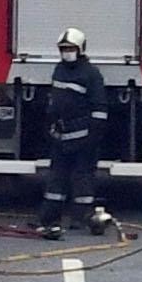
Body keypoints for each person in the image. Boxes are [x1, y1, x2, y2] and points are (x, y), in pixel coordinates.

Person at [38, 28, 109, 238]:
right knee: (56, 179)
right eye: (63, 49)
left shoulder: (91, 73)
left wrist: (93, 136)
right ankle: (49, 217)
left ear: (80, 49)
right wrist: (50, 123)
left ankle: (81, 218)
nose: (66, 52)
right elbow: (55, 100)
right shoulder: (59, 70)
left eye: (70, 48)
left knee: (83, 179)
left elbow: (99, 107)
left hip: (83, 137)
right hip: (61, 137)